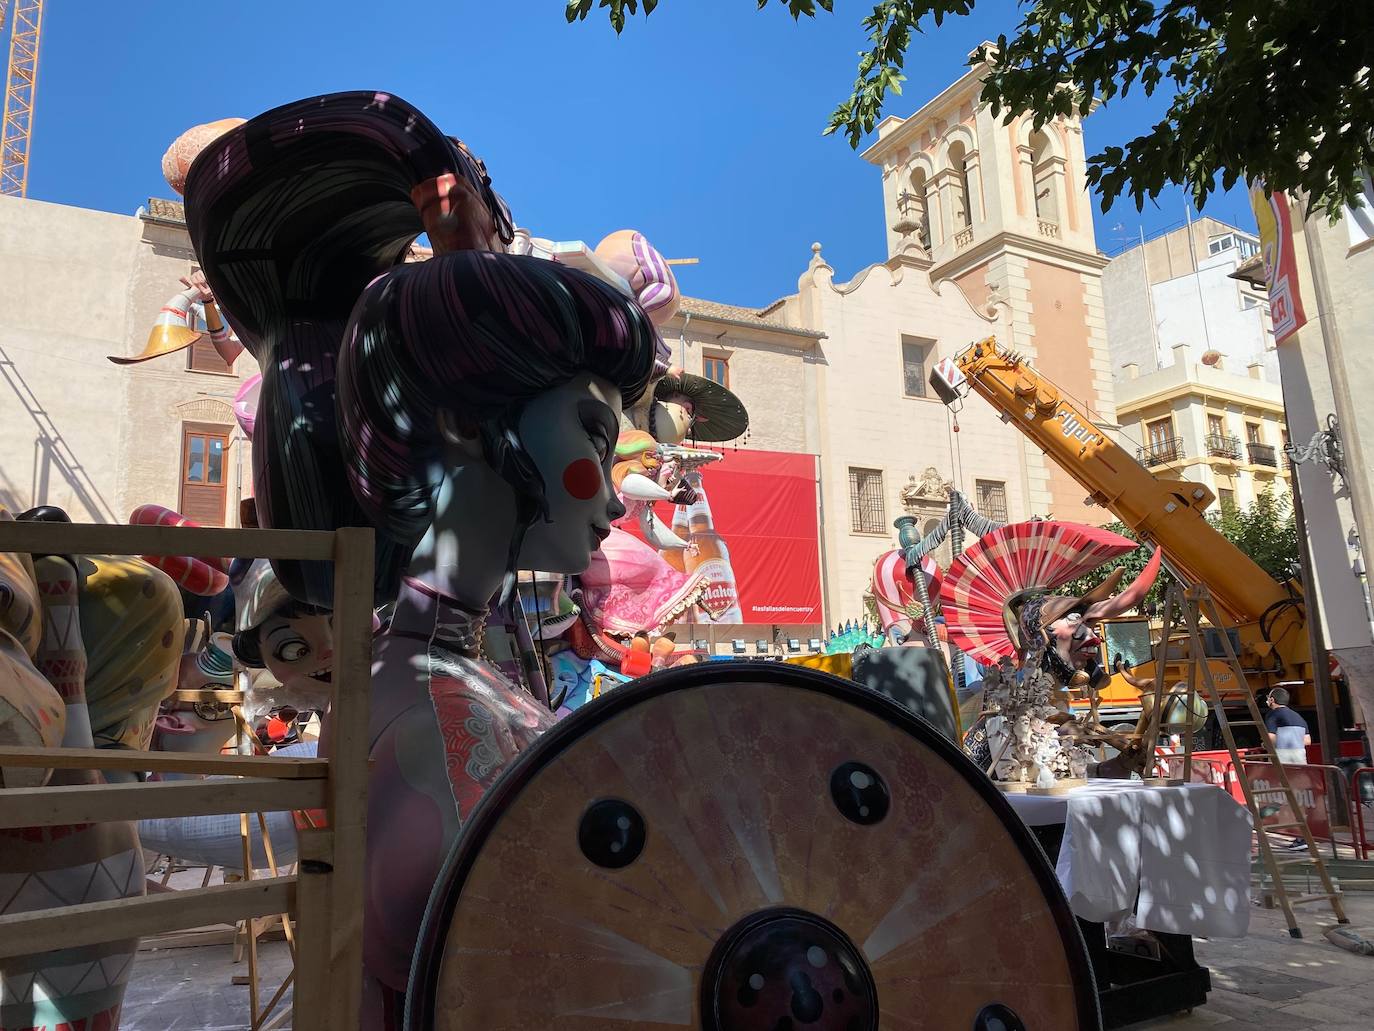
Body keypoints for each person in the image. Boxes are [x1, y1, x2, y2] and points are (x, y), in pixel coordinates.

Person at [1265, 687, 1311, 764]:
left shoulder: (1273, 714)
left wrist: (1265, 744)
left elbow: (1270, 737)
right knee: (1299, 775)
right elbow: (1307, 741)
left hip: (1281, 755)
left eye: (1268, 698)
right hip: (1299, 755)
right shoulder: (1299, 717)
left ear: (1272, 700)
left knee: (1277, 776)